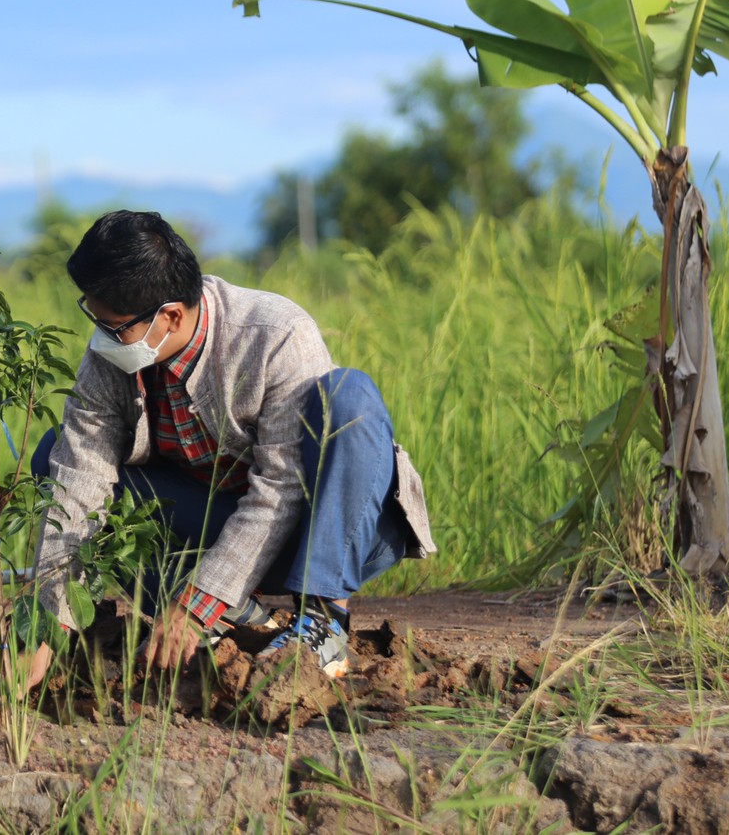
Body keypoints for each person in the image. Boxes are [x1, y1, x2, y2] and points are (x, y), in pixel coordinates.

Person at [27, 210, 437, 682]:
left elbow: (281, 489)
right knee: (54, 453)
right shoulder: (113, 355)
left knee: (350, 397)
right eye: (97, 320)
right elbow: (78, 483)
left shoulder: (275, 334)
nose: (104, 338)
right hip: (216, 523)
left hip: (316, 530)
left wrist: (196, 604)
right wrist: (44, 630)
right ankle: (234, 615)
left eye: (116, 328)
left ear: (170, 316)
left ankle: (323, 620)